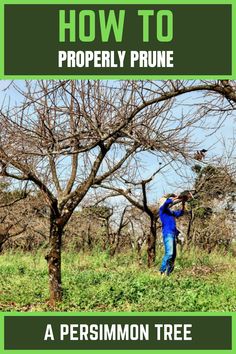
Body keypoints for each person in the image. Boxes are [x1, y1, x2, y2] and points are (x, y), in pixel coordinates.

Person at [159, 194, 185, 275]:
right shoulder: (162, 210)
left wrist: (183, 203)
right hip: (168, 234)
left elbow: (180, 213)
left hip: (173, 235)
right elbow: (167, 202)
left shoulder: (170, 212)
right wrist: (177, 197)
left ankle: (168, 274)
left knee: (173, 256)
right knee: (169, 253)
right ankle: (162, 271)